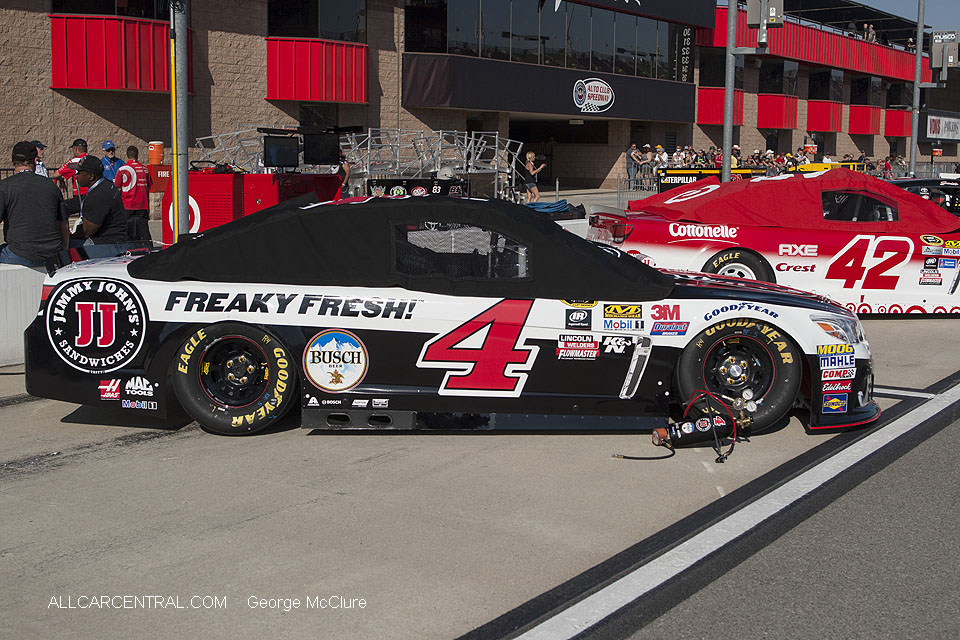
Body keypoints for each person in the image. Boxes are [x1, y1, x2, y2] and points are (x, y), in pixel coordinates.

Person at [0, 141, 67, 267]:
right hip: (53, 254)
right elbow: (63, 224)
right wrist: (63, 250)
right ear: (35, 160)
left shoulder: (4, 187)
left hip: (19, 254)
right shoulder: (51, 186)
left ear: (12, 160)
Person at [68, 155, 127, 247]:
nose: (76, 176)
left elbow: (86, 232)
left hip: (107, 244)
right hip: (113, 241)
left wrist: (69, 236)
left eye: (79, 172)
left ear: (91, 176)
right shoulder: (105, 186)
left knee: (65, 246)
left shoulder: (98, 195)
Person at [116, 145, 153, 243]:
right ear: (137, 155)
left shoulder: (122, 169)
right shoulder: (145, 169)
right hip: (142, 206)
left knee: (127, 232)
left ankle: (130, 249)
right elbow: (149, 187)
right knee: (144, 232)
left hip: (127, 205)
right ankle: (149, 248)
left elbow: (117, 188)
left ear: (127, 155)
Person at [56, 138, 89, 216]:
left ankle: (63, 224)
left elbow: (56, 174)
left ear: (75, 149)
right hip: (93, 195)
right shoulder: (92, 159)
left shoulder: (75, 161)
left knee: (62, 207)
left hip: (81, 196)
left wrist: (61, 180)